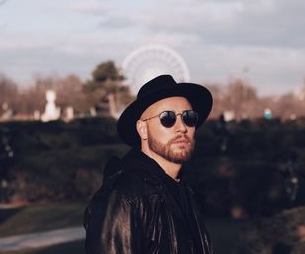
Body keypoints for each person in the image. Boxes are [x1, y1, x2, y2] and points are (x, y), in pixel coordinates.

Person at [84, 74, 213, 254]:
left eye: (189, 117)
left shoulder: (183, 191)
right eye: (167, 118)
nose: (182, 127)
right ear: (142, 129)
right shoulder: (124, 197)